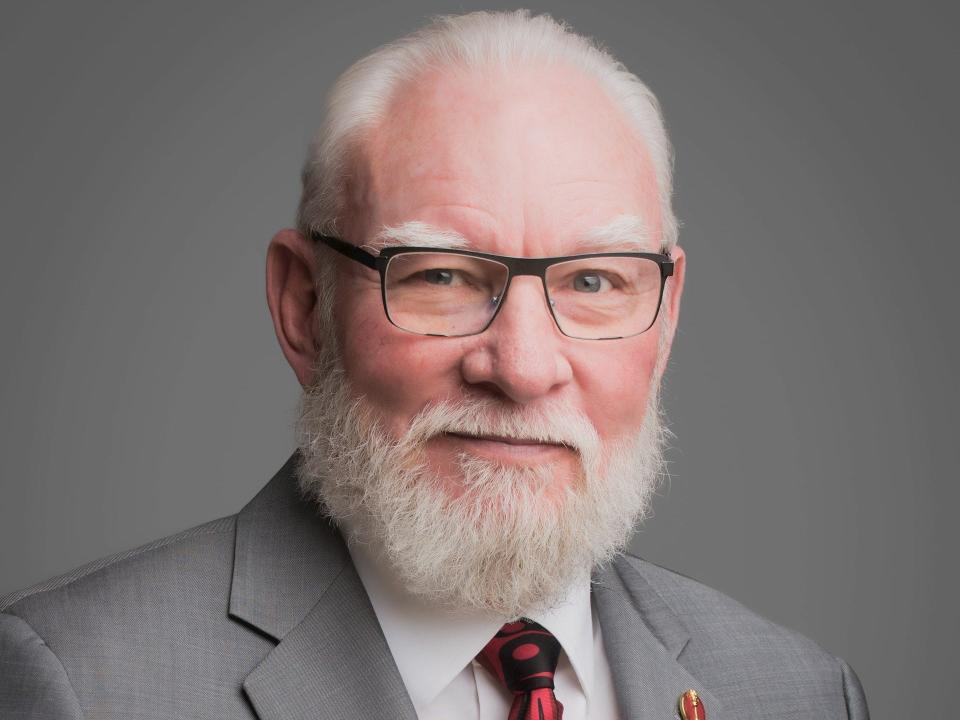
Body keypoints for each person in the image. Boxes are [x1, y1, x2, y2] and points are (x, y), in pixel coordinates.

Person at [0, 10, 868, 719]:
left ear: (666, 318)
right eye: (443, 275)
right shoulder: (83, 685)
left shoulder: (799, 695)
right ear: (306, 307)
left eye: (595, 280)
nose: (524, 368)